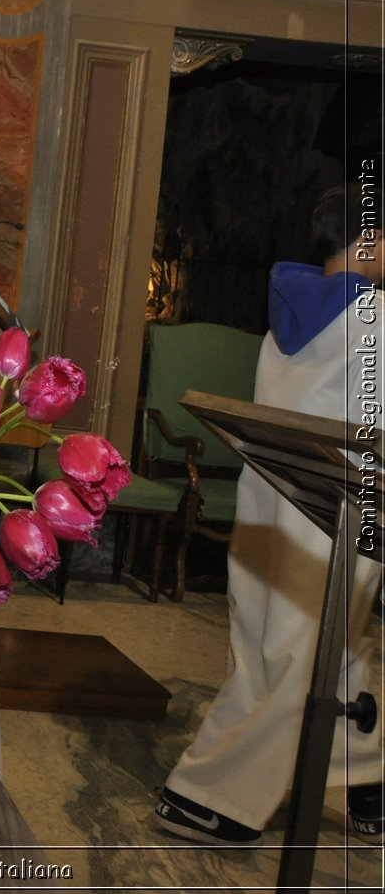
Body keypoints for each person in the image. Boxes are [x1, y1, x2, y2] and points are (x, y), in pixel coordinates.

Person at [156, 182, 383, 846]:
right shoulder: (374, 322)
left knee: (301, 647)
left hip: (274, 502)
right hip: (334, 511)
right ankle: (206, 794)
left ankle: (366, 777)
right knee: (300, 658)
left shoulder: (284, 322)